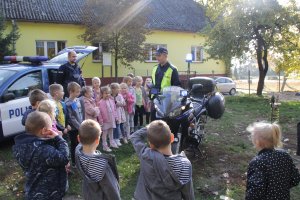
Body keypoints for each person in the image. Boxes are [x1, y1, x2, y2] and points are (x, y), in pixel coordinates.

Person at [130, 120, 195, 200]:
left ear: (151, 144)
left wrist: (149, 127)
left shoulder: (146, 156)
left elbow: (134, 136)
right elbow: (188, 194)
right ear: (171, 138)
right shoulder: (185, 165)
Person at [13, 111, 69, 200]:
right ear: (44, 130)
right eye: (51, 127)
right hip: (48, 194)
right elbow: (64, 158)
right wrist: (59, 139)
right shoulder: (43, 149)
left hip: (32, 191)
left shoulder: (20, 146)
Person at [246, 122, 300, 200]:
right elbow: (295, 179)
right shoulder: (285, 156)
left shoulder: (258, 162)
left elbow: (255, 192)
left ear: (257, 141)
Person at [75, 119, 121, 200]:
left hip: (88, 194)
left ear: (78, 139)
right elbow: (112, 190)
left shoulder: (78, 152)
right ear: (97, 140)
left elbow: (81, 143)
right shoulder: (102, 165)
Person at [151, 47, 181, 121]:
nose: (157, 57)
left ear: (165, 55)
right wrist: (151, 96)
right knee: (154, 122)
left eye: (159, 55)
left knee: (165, 123)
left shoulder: (172, 69)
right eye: (156, 55)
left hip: (166, 101)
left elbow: (176, 86)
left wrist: (173, 103)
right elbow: (153, 84)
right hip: (155, 99)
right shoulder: (155, 68)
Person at [66, 82, 85, 166]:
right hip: (74, 129)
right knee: (74, 144)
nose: (79, 93)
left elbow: (81, 113)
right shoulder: (68, 103)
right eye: (77, 92)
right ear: (71, 91)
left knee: (81, 143)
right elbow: (71, 118)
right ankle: (74, 161)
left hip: (81, 125)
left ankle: (81, 158)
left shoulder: (78, 100)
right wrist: (79, 126)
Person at [98, 86, 119, 152]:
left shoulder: (111, 100)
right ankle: (105, 146)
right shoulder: (100, 102)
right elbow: (99, 113)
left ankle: (112, 143)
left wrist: (116, 117)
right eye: (105, 93)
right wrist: (101, 120)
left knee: (111, 131)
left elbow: (114, 110)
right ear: (102, 94)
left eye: (108, 93)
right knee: (105, 133)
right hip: (105, 120)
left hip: (111, 119)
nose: (107, 95)